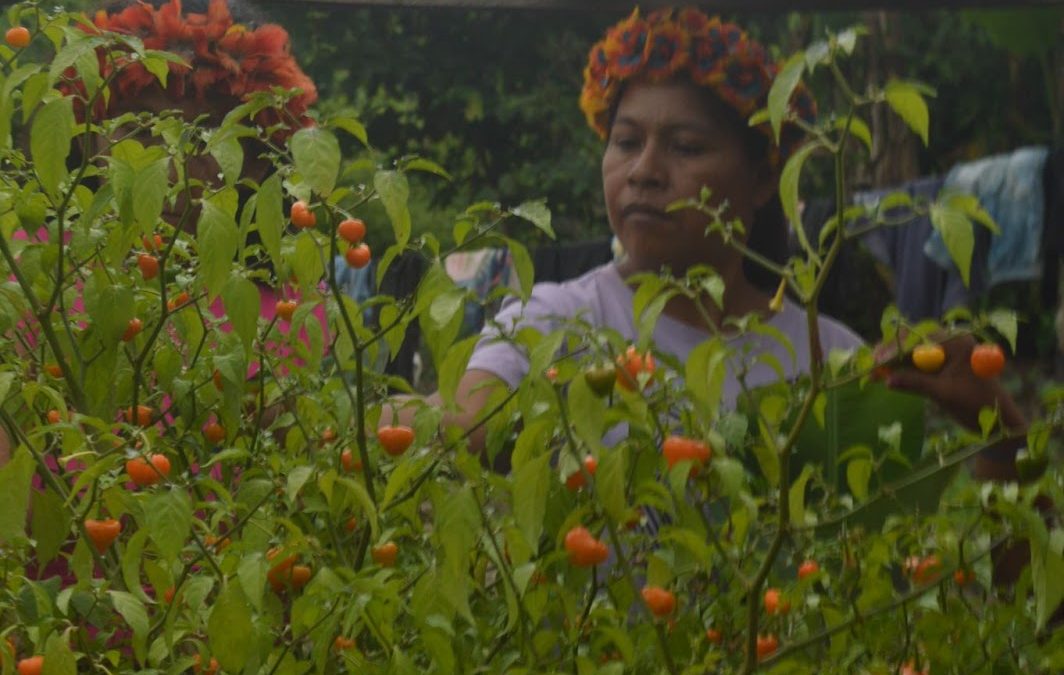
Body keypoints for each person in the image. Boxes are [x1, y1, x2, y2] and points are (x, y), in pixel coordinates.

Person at [403, 6, 1027, 484]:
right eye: (625, 142)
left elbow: (977, 599)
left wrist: (1001, 429)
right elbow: (456, 421)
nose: (643, 170)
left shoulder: (831, 365)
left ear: (762, 179)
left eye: (685, 146)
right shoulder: (555, 323)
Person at [0, 0, 323, 461]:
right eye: (143, 128)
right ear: (89, 136)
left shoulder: (290, 306)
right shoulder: (28, 278)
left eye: (210, 135)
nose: (173, 170)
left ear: (259, 157)